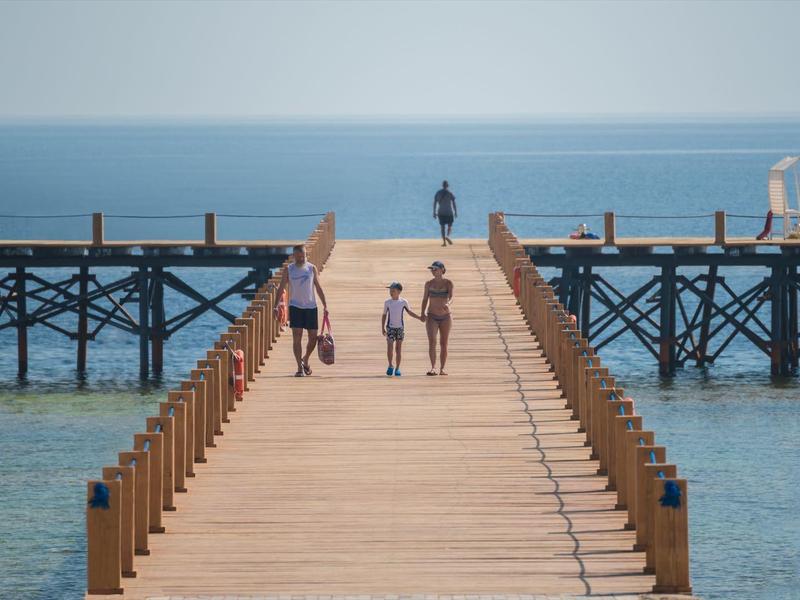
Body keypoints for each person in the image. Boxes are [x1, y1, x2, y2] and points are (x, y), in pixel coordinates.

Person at [273, 243, 328, 377]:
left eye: (302, 255)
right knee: (296, 337)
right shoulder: (289, 269)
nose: (301, 258)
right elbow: (281, 288)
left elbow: (318, 287)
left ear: (306, 255)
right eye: (298, 256)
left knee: (313, 338)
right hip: (295, 306)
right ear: (294, 256)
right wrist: (275, 306)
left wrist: (325, 305)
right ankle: (299, 367)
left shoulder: (311, 268)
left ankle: (306, 359)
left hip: (311, 306)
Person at [381, 281, 423, 377]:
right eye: (390, 290)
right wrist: (382, 328)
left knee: (398, 349)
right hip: (390, 328)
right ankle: (390, 365)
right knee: (390, 347)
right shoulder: (387, 303)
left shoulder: (403, 302)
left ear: (399, 291)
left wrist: (419, 317)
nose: (391, 292)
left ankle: (398, 368)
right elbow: (384, 315)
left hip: (400, 328)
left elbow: (409, 312)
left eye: (393, 290)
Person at [420, 260, 453, 375]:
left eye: (435, 269)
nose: (433, 271)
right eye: (432, 269)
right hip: (431, 316)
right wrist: (422, 313)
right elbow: (425, 299)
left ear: (442, 270)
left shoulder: (448, 283)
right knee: (432, 342)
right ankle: (433, 367)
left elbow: (451, 297)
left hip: (446, 317)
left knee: (444, 343)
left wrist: (448, 304)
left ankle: (442, 368)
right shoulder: (428, 284)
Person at [433, 180, 457, 247]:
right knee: (450, 226)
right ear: (447, 185)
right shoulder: (450, 193)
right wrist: (455, 212)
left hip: (441, 212)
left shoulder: (438, 193)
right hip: (449, 212)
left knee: (442, 227)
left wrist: (434, 212)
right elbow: (454, 203)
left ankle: (444, 242)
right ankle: (447, 236)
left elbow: (435, 203)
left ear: (442, 185)